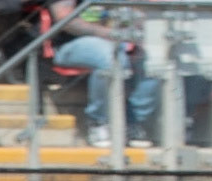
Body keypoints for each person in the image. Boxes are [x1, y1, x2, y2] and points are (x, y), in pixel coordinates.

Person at [46, 0, 159, 149]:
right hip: (72, 44)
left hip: (123, 40)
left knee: (156, 60)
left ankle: (134, 122)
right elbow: (65, 19)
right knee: (110, 58)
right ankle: (99, 122)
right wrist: (112, 34)